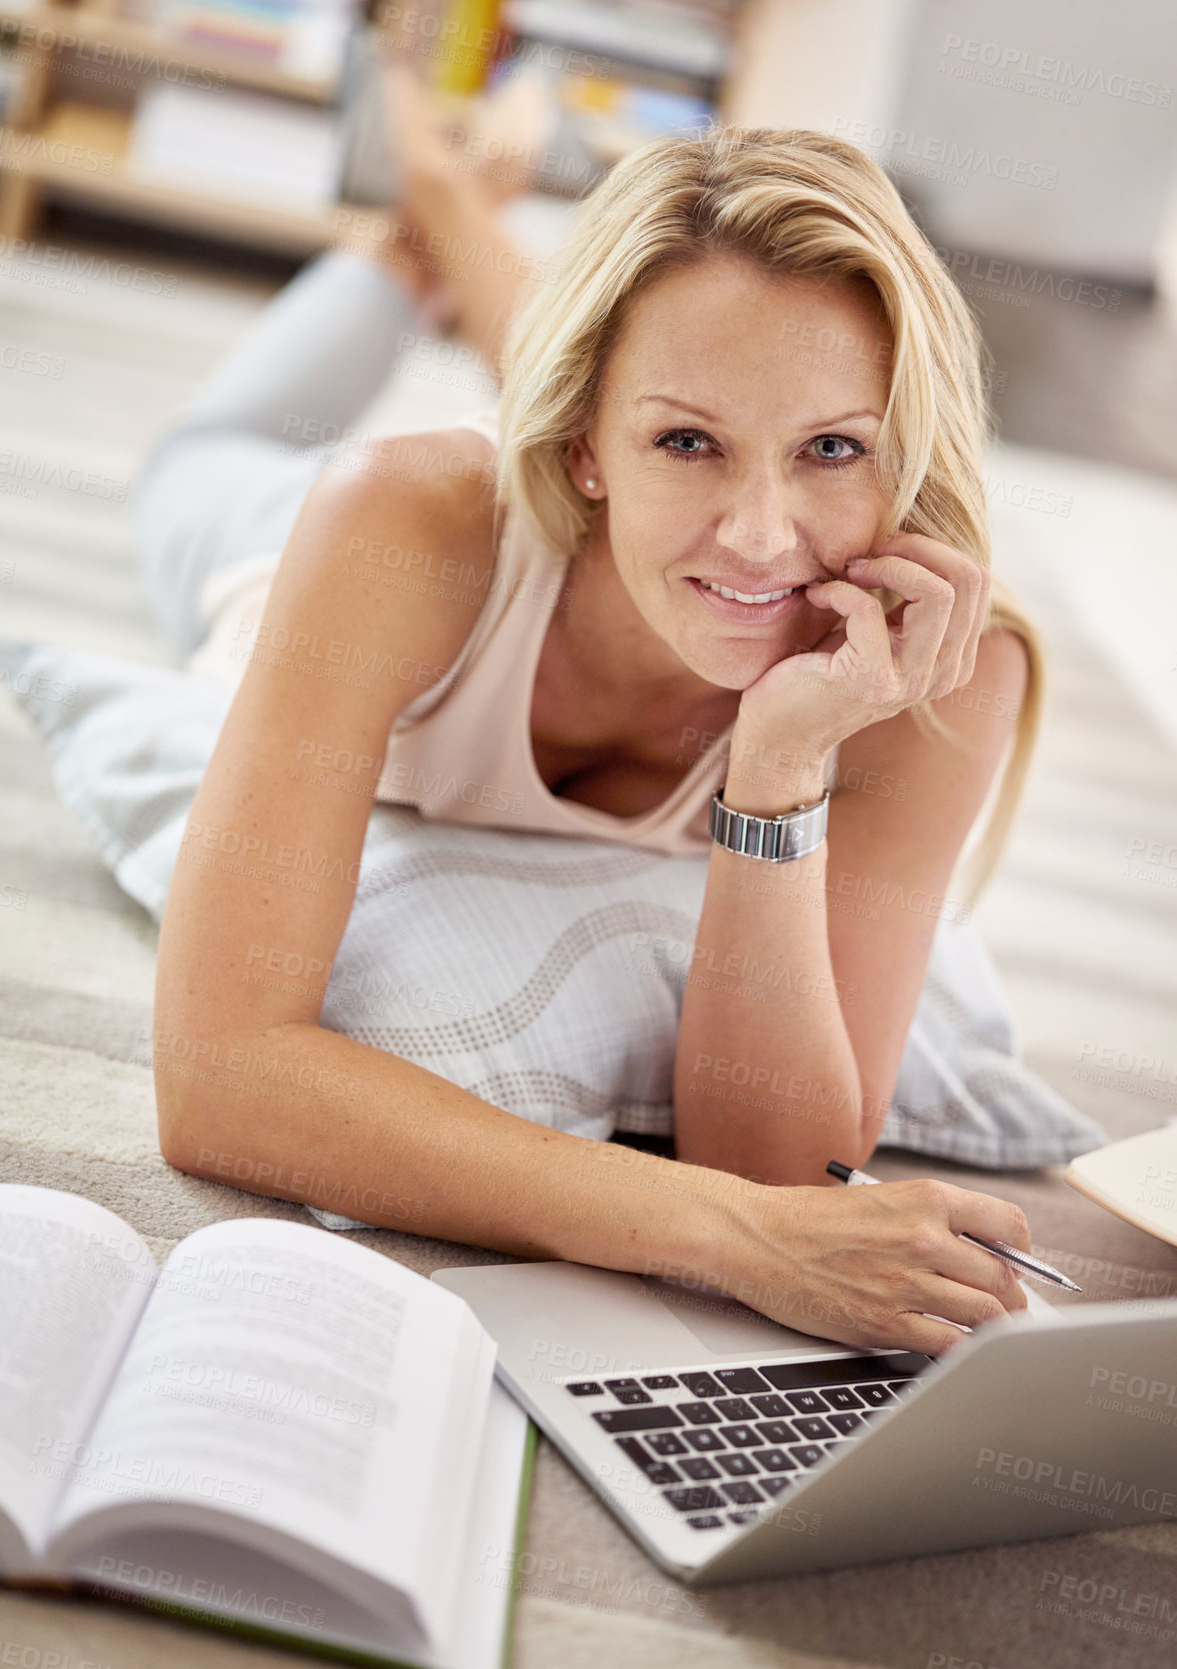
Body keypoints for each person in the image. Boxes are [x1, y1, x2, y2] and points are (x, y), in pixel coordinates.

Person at [141, 98, 1044, 1361]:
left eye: (835, 447)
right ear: (584, 449)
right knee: (203, 444)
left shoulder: (942, 666)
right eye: (688, 442)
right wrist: (718, 1233)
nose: (765, 534)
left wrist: (779, 765)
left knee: (675, 355)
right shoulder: (403, 523)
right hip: (246, 535)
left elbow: (781, 1159)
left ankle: (466, 220)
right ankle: (431, 221)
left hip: (574, 456)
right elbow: (217, 1078)